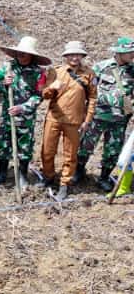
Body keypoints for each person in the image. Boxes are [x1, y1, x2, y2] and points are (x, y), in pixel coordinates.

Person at [0, 37, 50, 189]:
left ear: (31, 55)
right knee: (4, 144)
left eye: (25, 53)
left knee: (25, 147)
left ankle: (22, 175)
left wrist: (23, 107)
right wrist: (4, 83)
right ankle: (2, 174)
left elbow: (39, 96)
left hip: (25, 118)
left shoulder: (39, 72)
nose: (22, 55)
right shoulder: (7, 67)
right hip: (7, 115)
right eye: (20, 52)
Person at [40, 41, 96, 200]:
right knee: (47, 151)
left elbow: (92, 97)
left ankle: (64, 184)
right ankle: (49, 177)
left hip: (75, 120)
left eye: (78, 54)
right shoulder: (55, 72)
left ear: (82, 56)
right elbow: (44, 95)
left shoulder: (89, 74)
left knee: (70, 154)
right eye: (71, 54)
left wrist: (88, 119)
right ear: (65, 56)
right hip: (54, 117)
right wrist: (52, 88)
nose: (74, 57)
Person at [77, 36, 134, 191]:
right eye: (128, 51)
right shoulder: (101, 67)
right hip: (97, 116)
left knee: (113, 150)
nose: (132, 54)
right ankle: (79, 171)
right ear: (118, 53)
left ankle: (104, 177)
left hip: (119, 120)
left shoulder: (133, 71)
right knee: (85, 146)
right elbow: (87, 89)